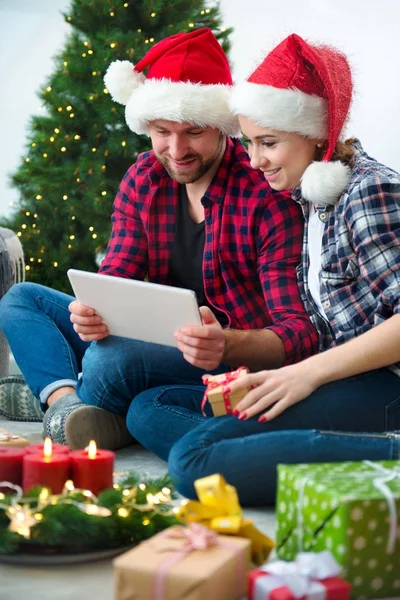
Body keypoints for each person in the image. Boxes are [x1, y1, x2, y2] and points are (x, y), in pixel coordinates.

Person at [0, 29, 317, 449]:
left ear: (222, 126)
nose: (176, 149)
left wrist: (226, 341)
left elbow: (299, 334)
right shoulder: (144, 178)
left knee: (112, 360)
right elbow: (115, 277)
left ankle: (62, 396)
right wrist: (90, 312)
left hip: (220, 358)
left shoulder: (264, 196)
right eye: (162, 131)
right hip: (149, 343)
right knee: (23, 300)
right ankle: (66, 406)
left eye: (194, 132)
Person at [124, 33, 400, 506]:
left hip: (383, 383)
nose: (254, 161)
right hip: (339, 377)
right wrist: (263, 373)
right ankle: (265, 447)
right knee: (150, 407)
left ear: (317, 134)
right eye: (249, 143)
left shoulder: (369, 192)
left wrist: (305, 375)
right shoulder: (310, 198)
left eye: (268, 143)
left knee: (194, 461)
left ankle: (385, 453)